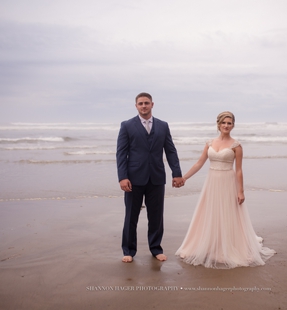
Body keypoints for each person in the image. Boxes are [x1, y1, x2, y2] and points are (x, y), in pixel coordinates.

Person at [174, 111, 275, 269]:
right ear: (218, 124)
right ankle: (210, 245)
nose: (226, 125)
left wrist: (241, 191)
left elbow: (239, 170)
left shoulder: (236, 145)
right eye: (224, 123)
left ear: (233, 125)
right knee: (211, 212)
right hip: (212, 181)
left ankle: (228, 248)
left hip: (228, 182)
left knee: (228, 213)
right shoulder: (209, 143)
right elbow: (199, 163)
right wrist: (184, 177)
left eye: (229, 123)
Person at [116, 92, 185, 263]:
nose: (144, 106)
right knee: (131, 216)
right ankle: (129, 251)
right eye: (140, 103)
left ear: (152, 104)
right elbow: (121, 154)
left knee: (156, 216)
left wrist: (176, 173)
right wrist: (122, 177)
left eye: (146, 103)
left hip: (156, 177)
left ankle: (156, 248)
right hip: (133, 178)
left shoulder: (163, 125)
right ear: (136, 106)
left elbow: (170, 150)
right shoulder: (127, 125)